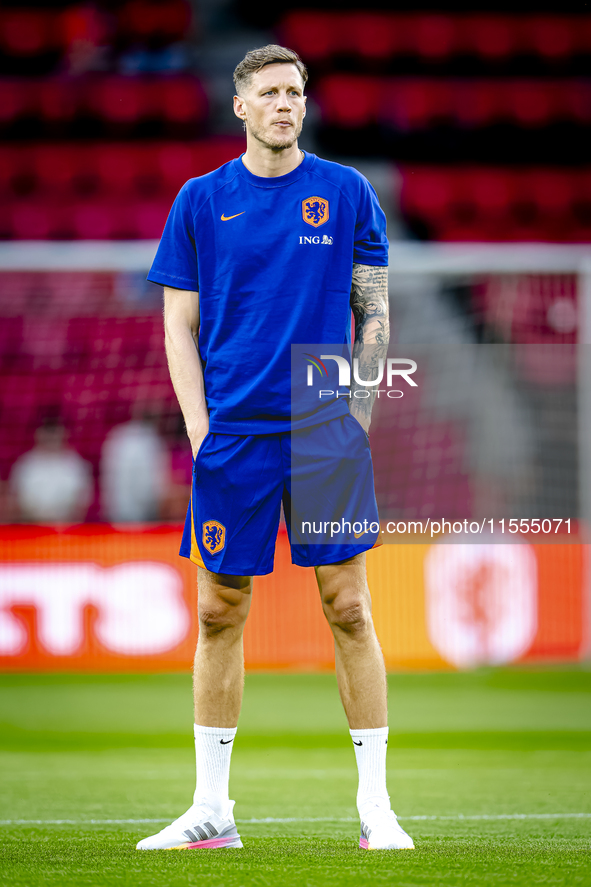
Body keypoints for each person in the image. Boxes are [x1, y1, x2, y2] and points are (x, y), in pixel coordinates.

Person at [137, 45, 414, 853]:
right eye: (270, 93)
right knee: (219, 611)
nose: (286, 103)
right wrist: (197, 427)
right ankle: (211, 811)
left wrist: (354, 417)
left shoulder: (346, 191)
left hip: (323, 426)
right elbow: (177, 328)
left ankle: (376, 809)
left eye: (296, 91)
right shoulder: (199, 201)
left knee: (351, 608)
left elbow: (375, 314)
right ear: (241, 106)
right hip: (233, 434)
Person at [9, 417, 93, 523]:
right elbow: (15, 500)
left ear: (64, 434)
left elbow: (82, 504)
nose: (51, 438)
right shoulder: (24, 465)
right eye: (48, 433)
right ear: (38, 435)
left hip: (66, 528)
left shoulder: (77, 465)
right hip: (31, 527)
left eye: (54, 433)